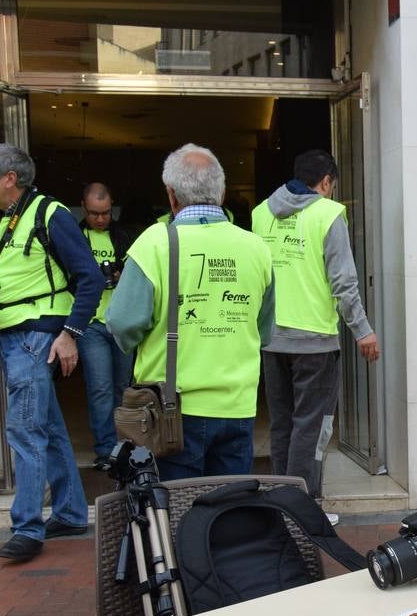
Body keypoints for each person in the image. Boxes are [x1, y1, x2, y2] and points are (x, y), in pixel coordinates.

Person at [107, 144, 274, 481]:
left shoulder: (154, 243)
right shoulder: (256, 247)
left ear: (171, 195)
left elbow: (122, 324)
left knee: (176, 515)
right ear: (223, 192)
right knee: (228, 512)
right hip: (238, 406)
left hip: (172, 410)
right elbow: (264, 331)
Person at [0, 144, 105, 562]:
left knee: (24, 431)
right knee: (45, 428)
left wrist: (68, 334)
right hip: (13, 337)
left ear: (10, 179)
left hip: (34, 336)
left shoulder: (51, 215)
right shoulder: (0, 218)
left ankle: (27, 527)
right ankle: (67, 512)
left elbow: (90, 279)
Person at [252, 149, 379, 507]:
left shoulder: (261, 214)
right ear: (325, 182)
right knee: (311, 426)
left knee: (282, 424)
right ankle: (301, 508)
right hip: (315, 342)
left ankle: (280, 502)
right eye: (332, 186)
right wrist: (363, 330)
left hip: (272, 339)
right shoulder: (327, 214)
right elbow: (344, 282)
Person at [75, 182, 133, 469]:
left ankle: (125, 445)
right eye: (95, 213)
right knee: (100, 388)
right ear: (84, 208)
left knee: (124, 387)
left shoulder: (123, 236)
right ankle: (105, 450)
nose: (100, 219)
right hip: (91, 324)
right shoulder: (74, 237)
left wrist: (123, 273)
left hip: (120, 323)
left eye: (106, 213)